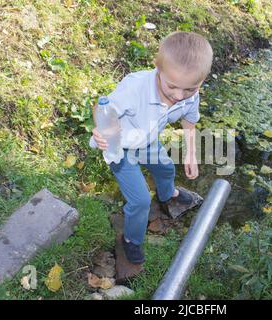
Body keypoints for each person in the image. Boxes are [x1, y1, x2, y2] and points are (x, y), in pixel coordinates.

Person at [90, 31, 213, 264]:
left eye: (190, 89)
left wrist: (191, 153)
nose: (179, 96)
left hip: (147, 141)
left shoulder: (189, 92)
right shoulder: (135, 87)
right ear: (158, 67)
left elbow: (189, 119)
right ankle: (131, 241)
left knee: (166, 169)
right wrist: (103, 131)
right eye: (173, 86)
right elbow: (102, 107)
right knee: (141, 201)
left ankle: (168, 196)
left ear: (201, 81)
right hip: (122, 147)